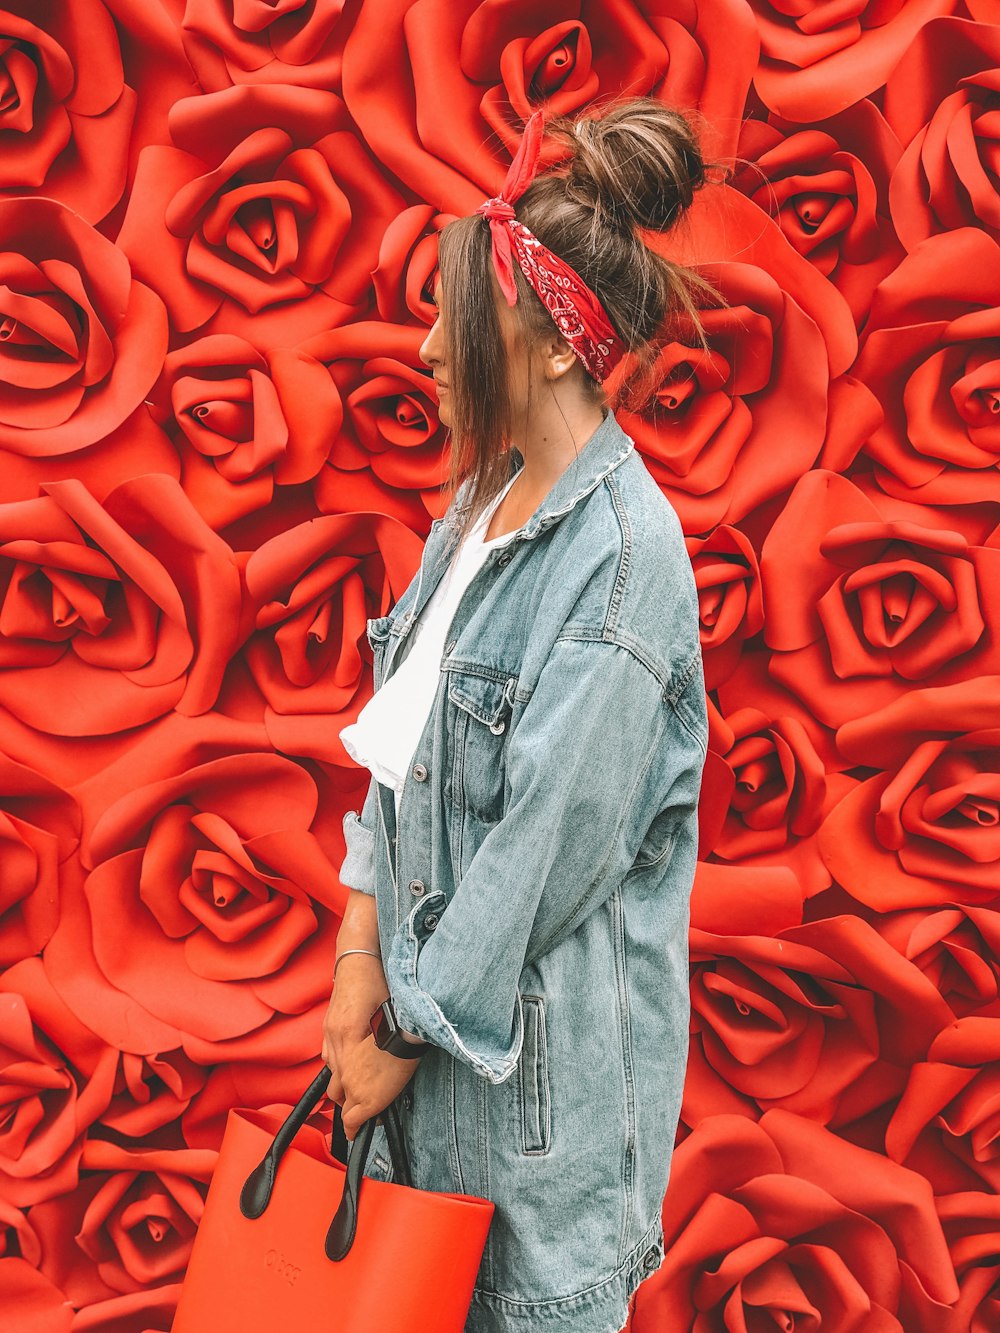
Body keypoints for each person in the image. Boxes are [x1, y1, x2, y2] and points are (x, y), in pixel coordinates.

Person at [323, 98, 711, 1333]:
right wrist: (352, 961)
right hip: (416, 1096)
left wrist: (394, 1027)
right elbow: (396, 762)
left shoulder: (623, 560)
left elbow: (541, 854)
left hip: (531, 1137)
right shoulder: (473, 513)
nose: (430, 349)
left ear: (553, 348)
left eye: (459, 318)